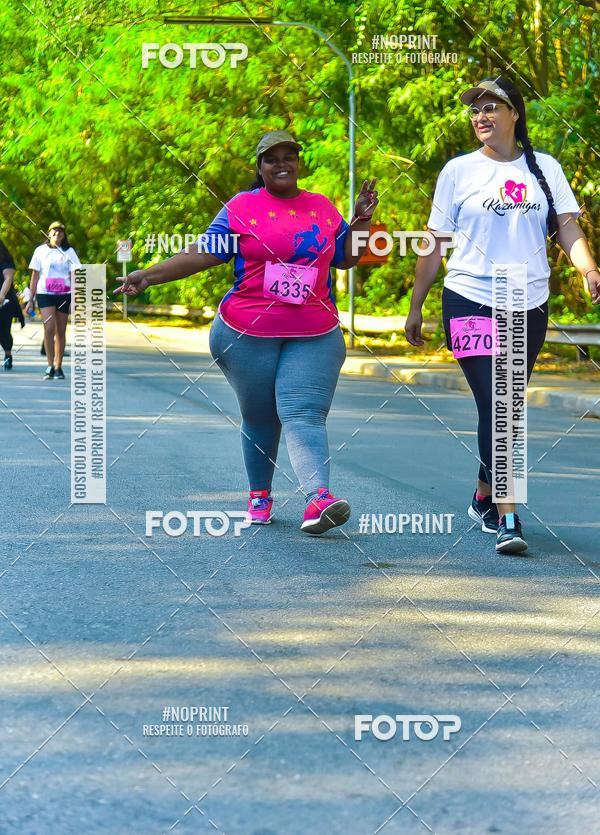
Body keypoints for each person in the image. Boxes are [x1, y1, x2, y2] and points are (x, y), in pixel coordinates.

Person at [116, 130, 378, 534]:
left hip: (314, 331)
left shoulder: (322, 207)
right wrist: (147, 276)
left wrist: (361, 218)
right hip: (247, 331)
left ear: (298, 163)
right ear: (259, 168)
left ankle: (318, 498)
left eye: (289, 155)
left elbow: (347, 257)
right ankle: (260, 493)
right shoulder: (242, 207)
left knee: (304, 413)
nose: (281, 163)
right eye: (271, 158)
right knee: (260, 418)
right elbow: (203, 253)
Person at [405, 76, 600, 556]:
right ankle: (508, 515)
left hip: (527, 301)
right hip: (468, 298)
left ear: (515, 114)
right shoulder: (457, 171)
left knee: (505, 404)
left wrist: (589, 269)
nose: (481, 116)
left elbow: (567, 227)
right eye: (475, 110)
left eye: (492, 107)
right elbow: (435, 244)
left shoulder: (546, 169)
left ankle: (482, 494)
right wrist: (416, 303)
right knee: (501, 404)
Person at [26, 222, 80, 380]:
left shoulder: (69, 252)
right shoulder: (40, 251)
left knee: (60, 331)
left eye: (61, 232)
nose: (57, 234)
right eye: (54, 231)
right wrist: (31, 298)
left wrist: (76, 298)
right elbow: (35, 276)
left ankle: (59, 366)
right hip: (45, 293)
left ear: (64, 235)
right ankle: (49, 365)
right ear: (48, 234)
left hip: (64, 294)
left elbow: (75, 275)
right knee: (49, 328)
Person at [0, 239, 25, 370]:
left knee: (3, 331)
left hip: (4, 301)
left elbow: (8, 278)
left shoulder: (5, 260)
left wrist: (1, 295)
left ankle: (8, 355)